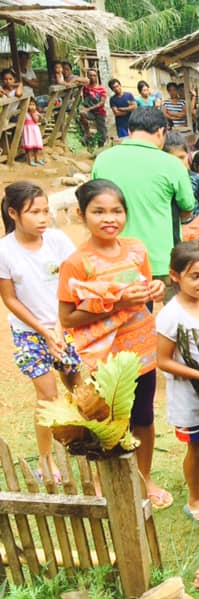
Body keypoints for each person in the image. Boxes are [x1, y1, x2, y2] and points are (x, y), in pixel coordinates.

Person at [57, 180, 170, 509]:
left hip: (142, 351)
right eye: (99, 211)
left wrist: (155, 291)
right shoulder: (78, 263)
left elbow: (146, 287)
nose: (110, 218)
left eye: (117, 211)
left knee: (144, 417)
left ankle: (145, 479)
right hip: (103, 357)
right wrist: (115, 304)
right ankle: (101, 481)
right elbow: (67, 318)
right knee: (104, 421)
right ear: (82, 214)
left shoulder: (137, 249)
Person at [0, 183, 82, 482]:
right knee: (47, 395)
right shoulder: (4, 251)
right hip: (29, 333)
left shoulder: (58, 241)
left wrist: (60, 327)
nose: (42, 217)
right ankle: (47, 460)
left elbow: (71, 284)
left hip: (64, 325)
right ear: (13, 213)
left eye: (45, 210)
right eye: (34, 212)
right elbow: (9, 299)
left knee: (79, 388)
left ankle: (87, 446)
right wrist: (44, 332)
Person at [92, 107, 195, 292]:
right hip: (162, 259)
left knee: (130, 315)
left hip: (117, 258)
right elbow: (188, 207)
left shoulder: (103, 160)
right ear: (161, 132)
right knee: (174, 313)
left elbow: (93, 205)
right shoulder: (172, 164)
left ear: (130, 131)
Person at [156, 242, 199, 524]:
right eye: (195, 276)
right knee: (196, 446)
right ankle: (194, 496)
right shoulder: (171, 315)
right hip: (189, 394)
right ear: (175, 276)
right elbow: (163, 360)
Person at [80, 68, 108, 145]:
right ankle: (87, 134)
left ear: (97, 77)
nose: (92, 77)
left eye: (94, 75)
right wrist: (85, 108)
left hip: (100, 113)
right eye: (91, 75)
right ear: (88, 76)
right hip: (90, 113)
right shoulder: (86, 88)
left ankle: (101, 145)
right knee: (82, 113)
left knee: (103, 134)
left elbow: (101, 103)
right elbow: (85, 98)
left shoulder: (101, 89)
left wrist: (89, 108)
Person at [21, 97, 44, 166]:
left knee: (36, 146)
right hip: (28, 131)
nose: (32, 106)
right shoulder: (24, 112)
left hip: (34, 130)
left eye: (33, 104)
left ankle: (36, 159)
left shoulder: (36, 113)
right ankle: (29, 160)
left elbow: (36, 120)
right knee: (29, 146)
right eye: (30, 104)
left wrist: (32, 113)